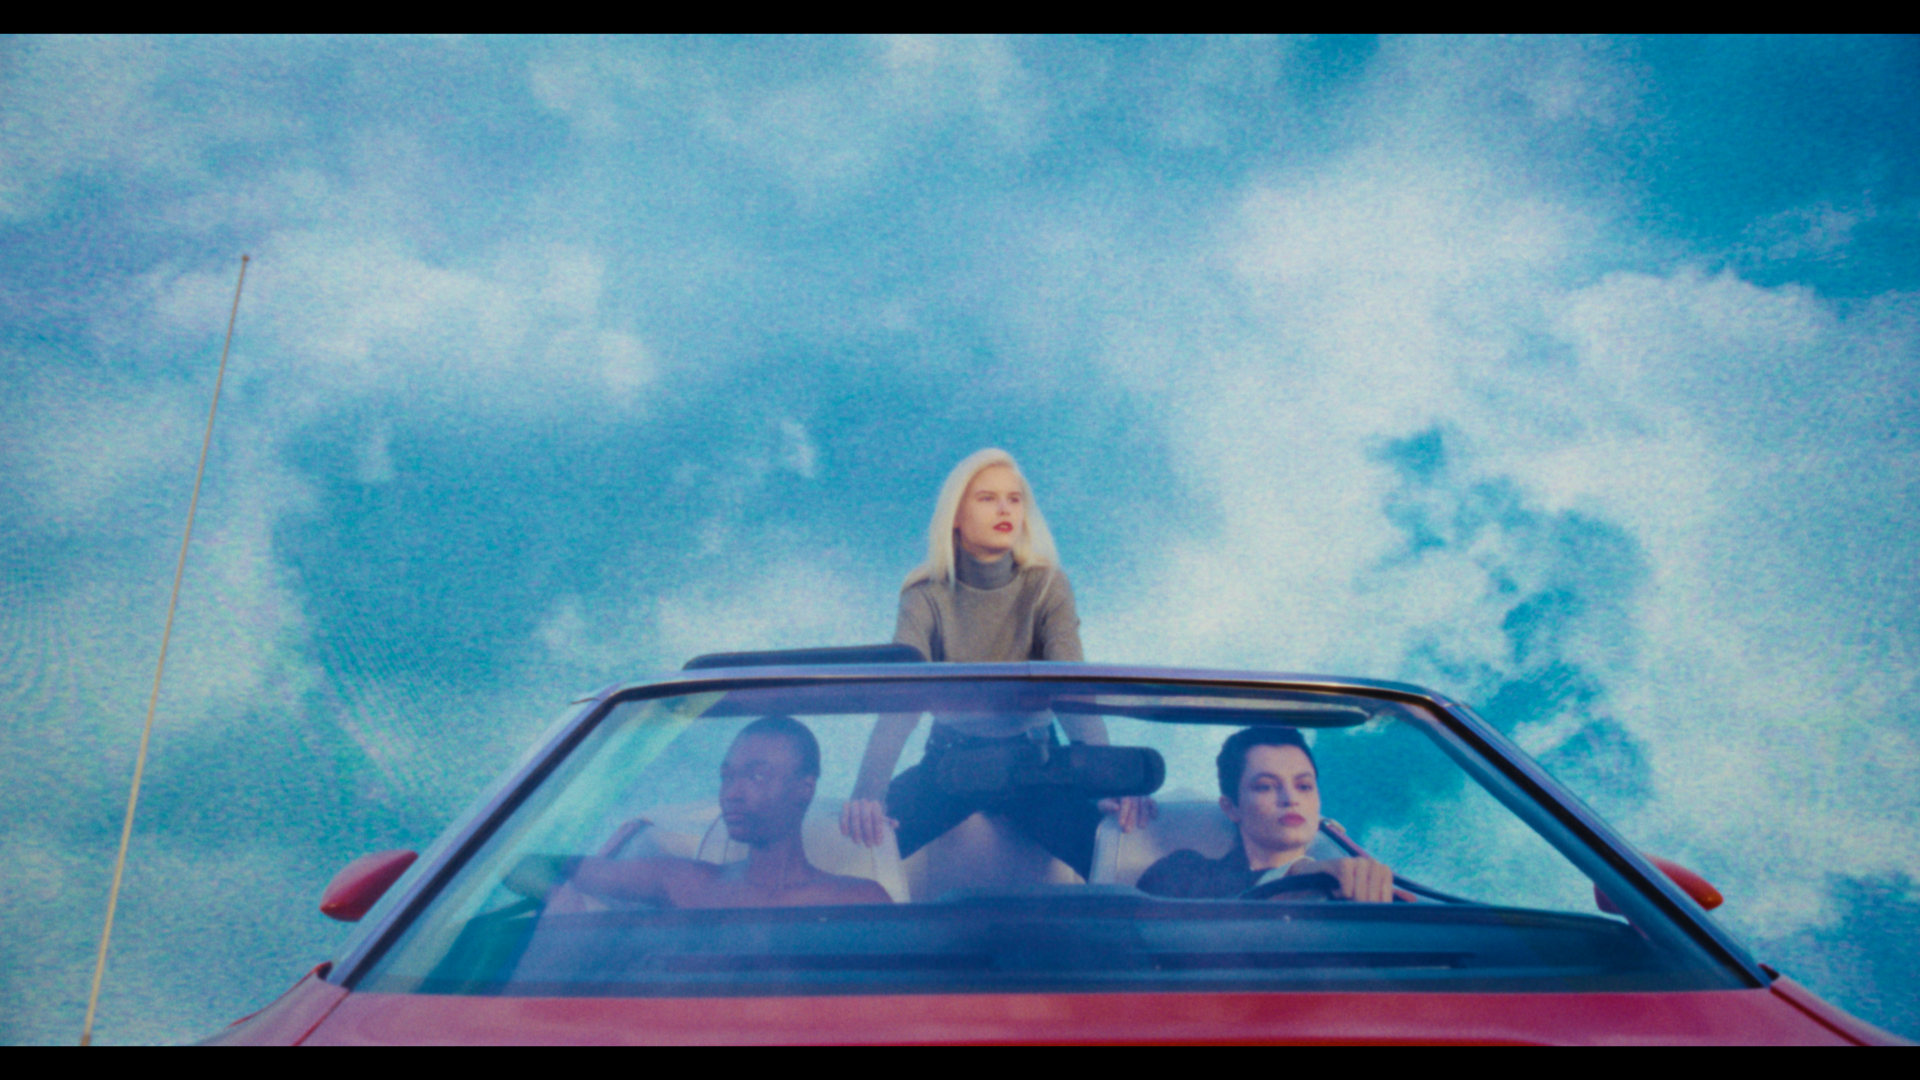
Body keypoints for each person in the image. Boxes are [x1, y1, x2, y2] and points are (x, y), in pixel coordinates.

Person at [839, 448, 1154, 879]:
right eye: (987, 498)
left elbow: (1074, 690)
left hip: (1040, 770)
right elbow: (901, 700)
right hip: (948, 767)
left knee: (1119, 859)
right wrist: (868, 793)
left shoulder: (1048, 585)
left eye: (1014, 498)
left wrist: (1112, 778)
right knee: (859, 855)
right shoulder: (923, 594)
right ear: (955, 515)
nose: (1005, 508)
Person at [520, 716, 891, 909]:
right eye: (726, 776)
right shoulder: (683, 882)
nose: (732, 793)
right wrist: (558, 896)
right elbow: (525, 866)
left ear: (804, 789)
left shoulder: (859, 899)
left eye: (757, 775)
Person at [1136, 726, 1397, 902]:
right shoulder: (1184, 873)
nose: (1290, 799)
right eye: (1266, 787)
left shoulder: (1356, 884)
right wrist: (1296, 875)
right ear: (1231, 807)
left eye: (1304, 786)